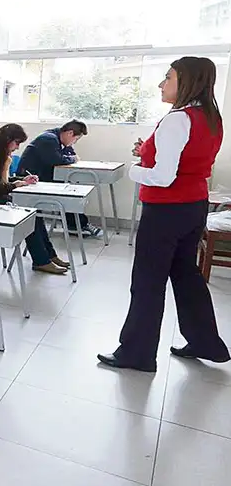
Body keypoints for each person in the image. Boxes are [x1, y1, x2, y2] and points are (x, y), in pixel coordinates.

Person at [98, 57, 229, 372]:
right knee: (186, 274)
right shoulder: (211, 117)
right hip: (194, 207)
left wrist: (135, 169)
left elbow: (163, 176)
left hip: (166, 211)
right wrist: (149, 152)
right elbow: (186, 160)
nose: (161, 84)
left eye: (168, 77)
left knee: (147, 280)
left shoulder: (177, 119)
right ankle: (205, 342)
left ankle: (137, 353)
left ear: (187, 81)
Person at [0, 124, 68, 275]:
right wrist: (14, 185)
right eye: (17, 143)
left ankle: (48, 256)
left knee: (33, 214)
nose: (17, 147)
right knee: (28, 216)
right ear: (7, 140)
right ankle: (42, 260)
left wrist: (22, 180)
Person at [17, 120, 100, 237]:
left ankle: (75, 224)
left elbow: (69, 154)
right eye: (75, 139)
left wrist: (71, 156)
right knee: (68, 192)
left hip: (42, 175)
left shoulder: (58, 138)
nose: (74, 142)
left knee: (70, 187)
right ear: (70, 133)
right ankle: (78, 224)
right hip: (29, 177)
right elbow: (58, 159)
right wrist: (72, 159)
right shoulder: (49, 139)